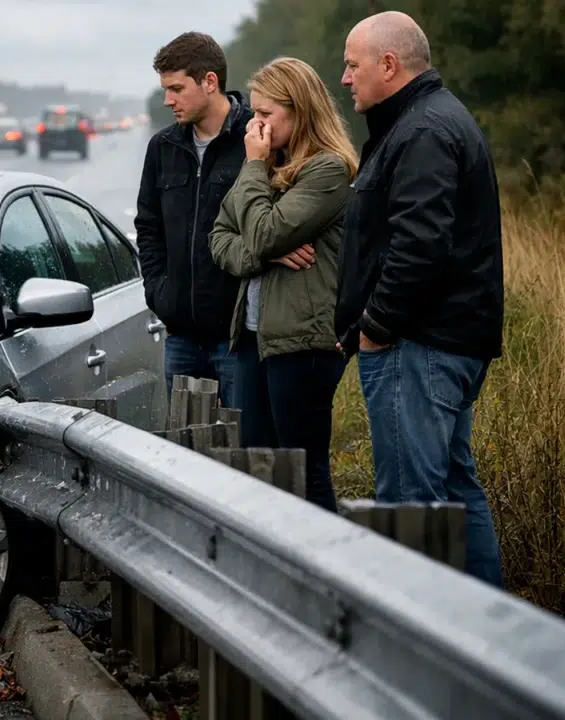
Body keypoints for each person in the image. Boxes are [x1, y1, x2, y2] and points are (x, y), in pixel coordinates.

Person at [336, 11, 504, 587]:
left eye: (352, 65)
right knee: (455, 489)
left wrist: (377, 324)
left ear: (389, 64)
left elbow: (419, 244)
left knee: (411, 505)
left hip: (419, 344)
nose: (344, 78)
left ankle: (425, 657)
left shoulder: (423, 131)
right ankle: (490, 634)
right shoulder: (421, 122)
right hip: (441, 340)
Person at [207, 58, 357, 512]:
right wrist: (264, 253)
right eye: (253, 114)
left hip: (303, 342)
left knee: (303, 471)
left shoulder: (327, 170)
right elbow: (219, 238)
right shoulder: (268, 166)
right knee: (261, 466)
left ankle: (326, 575)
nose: (257, 126)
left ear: (300, 110)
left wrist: (253, 173)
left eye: (266, 115)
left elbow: (264, 231)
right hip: (255, 335)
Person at [135, 32, 254, 407]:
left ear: (209, 82)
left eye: (176, 88)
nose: (168, 100)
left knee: (243, 448)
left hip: (238, 337)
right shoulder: (162, 147)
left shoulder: (256, 138)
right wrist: (159, 293)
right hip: (181, 336)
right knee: (186, 452)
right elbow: (148, 227)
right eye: (165, 89)